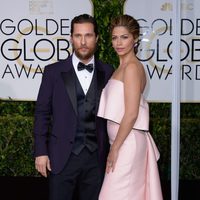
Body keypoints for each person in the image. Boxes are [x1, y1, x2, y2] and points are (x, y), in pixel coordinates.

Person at [33, 14, 114, 200]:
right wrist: (41, 151)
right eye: (78, 36)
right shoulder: (53, 72)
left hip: (97, 159)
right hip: (61, 157)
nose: (83, 41)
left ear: (97, 38)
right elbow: (42, 113)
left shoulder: (108, 72)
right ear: (71, 38)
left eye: (88, 35)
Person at [97, 14, 163, 200]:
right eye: (115, 37)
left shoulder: (132, 68)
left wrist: (115, 148)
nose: (119, 43)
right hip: (122, 141)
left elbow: (132, 113)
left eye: (124, 37)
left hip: (127, 143)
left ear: (135, 39)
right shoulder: (121, 68)